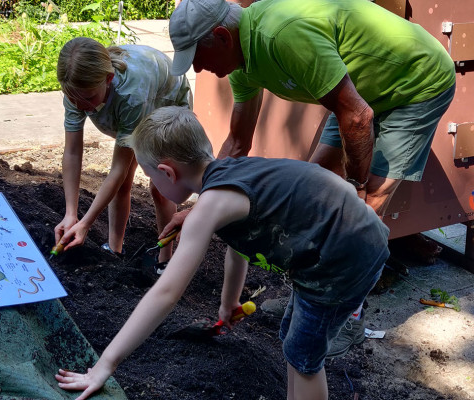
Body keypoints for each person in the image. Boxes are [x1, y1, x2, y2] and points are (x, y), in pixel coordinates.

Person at [165, 0, 456, 355]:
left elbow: (358, 118)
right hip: (359, 93)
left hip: (416, 81)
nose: (197, 66)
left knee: (365, 211)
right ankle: (307, 303)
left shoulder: (283, 35)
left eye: (197, 55)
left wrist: (356, 186)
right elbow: (238, 144)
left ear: (223, 37)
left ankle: (348, 321)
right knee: (315, 188)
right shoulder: (241, 64)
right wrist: (198, 207)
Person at [54, 106, 390, 400]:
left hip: (344, 259)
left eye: (152, 178)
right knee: (293, 339)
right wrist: (229, 301)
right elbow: (239, 245)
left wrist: (105, 366)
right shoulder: (229, 174)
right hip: (341, 242)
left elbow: (167, 292)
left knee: (304, 356)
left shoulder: (211, 204)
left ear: (168, 173)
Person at [54, 37, 192, 272]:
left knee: (159, 187)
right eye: (74, 99)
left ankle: (165, 258)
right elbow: (73, 152)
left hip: (166, 104)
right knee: (122, 184)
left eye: (88, 99)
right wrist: (71, 214)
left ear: (108, 79)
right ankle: (114, 249)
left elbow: (117, 168)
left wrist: (86, 223)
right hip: (128, 108)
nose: (82, 106)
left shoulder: (131, 95)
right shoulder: (77, 91)